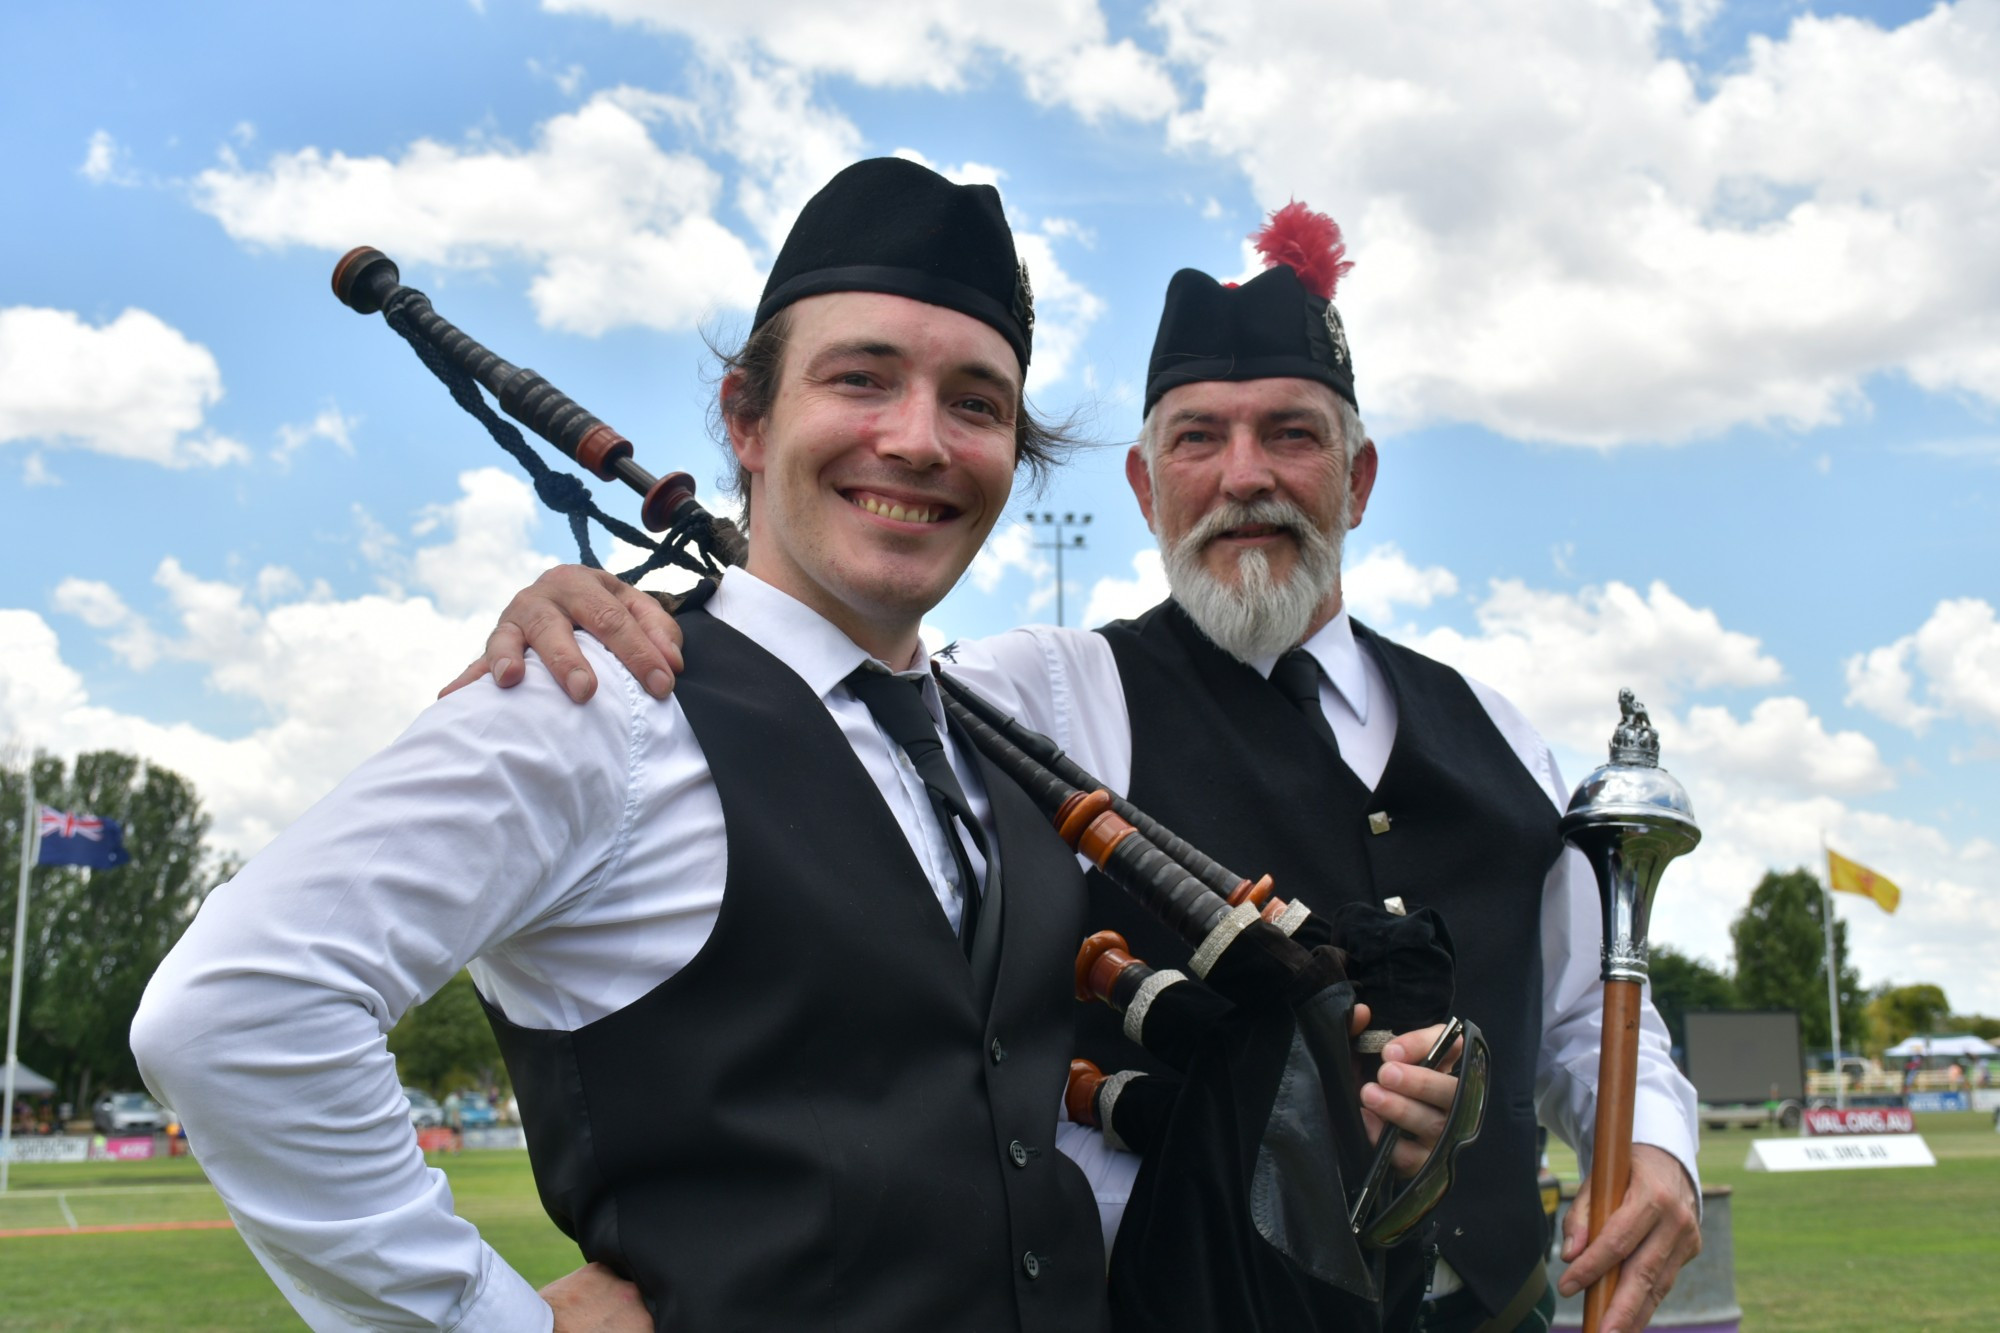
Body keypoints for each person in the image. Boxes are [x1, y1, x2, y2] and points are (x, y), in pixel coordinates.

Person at [133, 161, 1456, 1332]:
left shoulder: (1002, 746)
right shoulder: (597, 701)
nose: (920, 440)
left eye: (977, 402)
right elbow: (239, 1013)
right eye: (861, 378)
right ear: (747, 421)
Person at [477, 200, 1704, 1333]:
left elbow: (1582, 1018)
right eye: (1194, 440)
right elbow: (806, 682)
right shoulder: (1037, 692)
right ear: (1141, 484)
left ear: (1359, 477)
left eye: (1291, 435)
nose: (1243, 478)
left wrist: (1654, 1142)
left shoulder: (1495, 728)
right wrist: (614, 612)